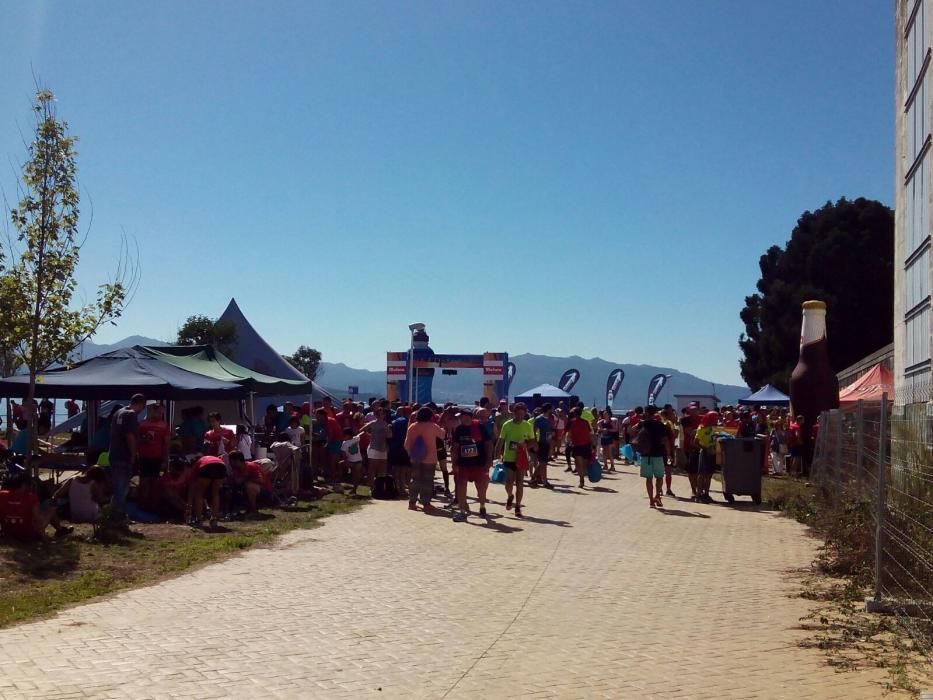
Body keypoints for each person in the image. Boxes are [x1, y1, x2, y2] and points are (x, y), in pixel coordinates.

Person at [108, 394, 146, 527]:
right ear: (141, 404)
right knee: (122, 488)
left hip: (114, 453)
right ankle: (116, 517)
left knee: (118, 486)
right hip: (123, 455)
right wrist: (133, 454)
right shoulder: (131, 414)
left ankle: (117, 515)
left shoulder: (118, 412)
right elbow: (129, 436)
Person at [0, 472, 73, 540]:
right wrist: (45, 540)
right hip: (29, 534)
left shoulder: (2, 495)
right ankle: (60, 530)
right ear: (24, 485)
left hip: (8, 532)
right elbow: (39, 521)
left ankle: (60, 529)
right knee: (51, 508)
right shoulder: (30, 498)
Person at [495, 402, 536, 517]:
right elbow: (500, 441)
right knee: (509, 482)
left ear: (525, 414)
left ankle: (517, 506)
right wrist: (496, 455)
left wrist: (525, 445)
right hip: (509, 458)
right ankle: (510, 495)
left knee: (520, 483)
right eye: (518, 414)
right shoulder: (507, 425)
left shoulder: (527, 425)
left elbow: (533, 442)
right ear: (513, 413)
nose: (520, 416)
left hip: (521, 458)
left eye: (522, 414)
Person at [450, 407, 491, 521]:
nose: (459, 419)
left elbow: (488, 444)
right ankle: (462, 511)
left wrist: (489, 460)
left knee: (481, 488)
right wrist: (454, 463)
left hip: (479, 463)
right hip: (463, 464)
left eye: (461, 416)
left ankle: (482, 506)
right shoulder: (458, 429)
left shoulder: (480, 427)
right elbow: (455, 447)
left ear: (467, 417)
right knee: (461, 486)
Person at [404, 406, 446, 513]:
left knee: (415, 479)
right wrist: (443, 428)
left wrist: (411, 454)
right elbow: (442, 435)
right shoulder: (433, 426)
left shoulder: (412, 426)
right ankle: (425, 503)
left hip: (415, 458)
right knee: (427, 481)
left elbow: (406, 444)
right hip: (430, 458)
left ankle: (412, 502)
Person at [137, 403, 170, 508]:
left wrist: (165, 459)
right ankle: (143, 506)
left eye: (162, 413)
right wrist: (143, 440)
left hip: (157, 457)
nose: (160, 415)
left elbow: (167, 443)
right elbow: (136, 439)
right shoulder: (142, 424)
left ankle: (153, 506)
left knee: (155, 482)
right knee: (144, 482)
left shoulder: (164, 425)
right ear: (153, 411)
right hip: (144, 457)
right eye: (159, 412)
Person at [637, 406, 670, 508]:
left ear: (646, 412)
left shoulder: (642, 424)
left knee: (649, 478)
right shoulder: (660, 425)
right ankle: (657, 496)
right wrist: (668, 453)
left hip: (645, 455)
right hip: (658, 453)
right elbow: (665, 440)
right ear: (655, 413)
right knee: (659, 477)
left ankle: (651, 500)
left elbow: (631, 431)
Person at [228, 450, 273, 515]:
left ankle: (253, 509)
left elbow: (261, 480)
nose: (230, 464)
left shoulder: (250, 466)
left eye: (231, 462)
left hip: (265, 491)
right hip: (249, 491)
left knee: (249, 485)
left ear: (237, 461)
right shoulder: (236, 470)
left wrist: (244, 479)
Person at [188, 454, 226, 529]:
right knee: (215, 493)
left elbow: (192, 487)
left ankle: (199, 519)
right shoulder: (211, 457)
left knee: (199, 493)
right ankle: (214, 519)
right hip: (221, 466)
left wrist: (189, 505)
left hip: (207, 467)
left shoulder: (197, 464)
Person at [361, 407, 391, 490]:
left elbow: (390, 436)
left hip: (383, 447)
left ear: (384, 415)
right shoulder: (372, 423)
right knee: (372, 468)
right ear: (375, 415)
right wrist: (368, 435)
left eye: (382, 414)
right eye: (378, 414)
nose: (380, 416)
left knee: (382, 469)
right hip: (373, 447)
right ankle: (371, 487)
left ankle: (379, 486)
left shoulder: (386, 424)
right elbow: (361, 430)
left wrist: (388, 431)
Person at [694, 411, 720, 503]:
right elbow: (696, 442)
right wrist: (706, 449)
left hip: (712, 453)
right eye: (715, 418)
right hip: (704, 453)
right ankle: (698, 495)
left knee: (709, 475)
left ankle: (706, 494)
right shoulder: (702, 428)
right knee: (701, 475)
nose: (717, 420)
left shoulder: (715, 428)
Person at [567, 406, 593, 488]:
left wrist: (568, 441)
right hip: (586, 444)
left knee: (579, 463)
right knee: (584, 463)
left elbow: (568, 433)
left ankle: (581, 479)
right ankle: (582, 477)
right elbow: (590, 433)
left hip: (577, 445)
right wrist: (593, 444)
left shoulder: (571, 422)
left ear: (574, 414)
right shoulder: (585, 422)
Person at [388, 408, 411, 497]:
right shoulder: (408, 423)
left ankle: (396, 488)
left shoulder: (395, 421)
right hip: (404, 448)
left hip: (394, 447)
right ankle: (402, 489)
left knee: (396, 470)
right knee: (403, 470)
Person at [531, 403, 555, 488]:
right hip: (541, 443)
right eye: (551, 409)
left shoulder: (550, 419)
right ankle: (545, 481)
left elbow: (550, 431)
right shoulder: (539, 419)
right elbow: (533, 431)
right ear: (548, 409)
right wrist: (535, 443)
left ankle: (533, 478)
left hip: (547, 443)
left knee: (542, 462)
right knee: (543, 463)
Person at [340, 427, 364, 494]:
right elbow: (361, 433)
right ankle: (355, 488)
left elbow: (343, 454)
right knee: (356, 475)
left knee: (354, 475)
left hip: (351, 461)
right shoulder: (356, 438)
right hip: (359, 460)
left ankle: (353, 488)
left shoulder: (344, 444)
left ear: (348, 435)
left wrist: (345, 461)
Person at [597, 409, 616, 473]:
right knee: (604, 452)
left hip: (609, 438)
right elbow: (598, 426)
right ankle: (605, 465)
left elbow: (615, 429)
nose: (605, 415)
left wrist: (607, 429)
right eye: (604, 414)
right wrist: (601, 429)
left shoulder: (611, 421)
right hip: (603, 438)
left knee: (610, 453)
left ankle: (612, 466)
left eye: (606, 414)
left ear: (609, 415)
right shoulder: (602, 421)